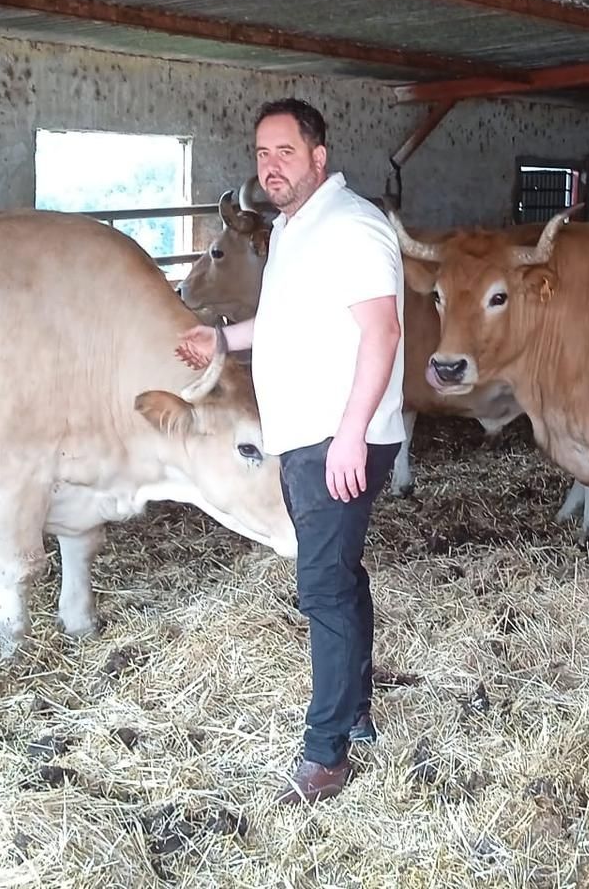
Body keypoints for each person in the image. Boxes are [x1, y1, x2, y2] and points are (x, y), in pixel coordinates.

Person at [175, 97, 406, 805]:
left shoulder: (354, 226)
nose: (271, 166)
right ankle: (357, 713)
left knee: (323, 589)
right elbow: (280, 324)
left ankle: (325, 752)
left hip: (337, 439)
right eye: (262, 154)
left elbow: (384, 335)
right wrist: (220, 340)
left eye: (285, 152)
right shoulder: (293, 229)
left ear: (318, 158)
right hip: (307, 436)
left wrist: (350, 434)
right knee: (340, 576)